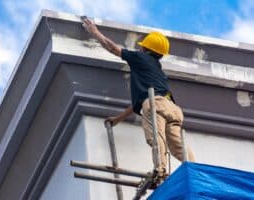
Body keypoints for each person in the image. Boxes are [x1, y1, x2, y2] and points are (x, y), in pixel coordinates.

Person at [82, 17, 195, 178]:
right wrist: (119, 118)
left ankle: (160, 170)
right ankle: (193, 169)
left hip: (155, 104)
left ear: (146, 49)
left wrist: (95, 32)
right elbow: (142, 102)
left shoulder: (140, 58)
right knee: (177, 145)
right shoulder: (157, 70)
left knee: (157, 138)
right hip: (173, 109)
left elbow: (113, 48)